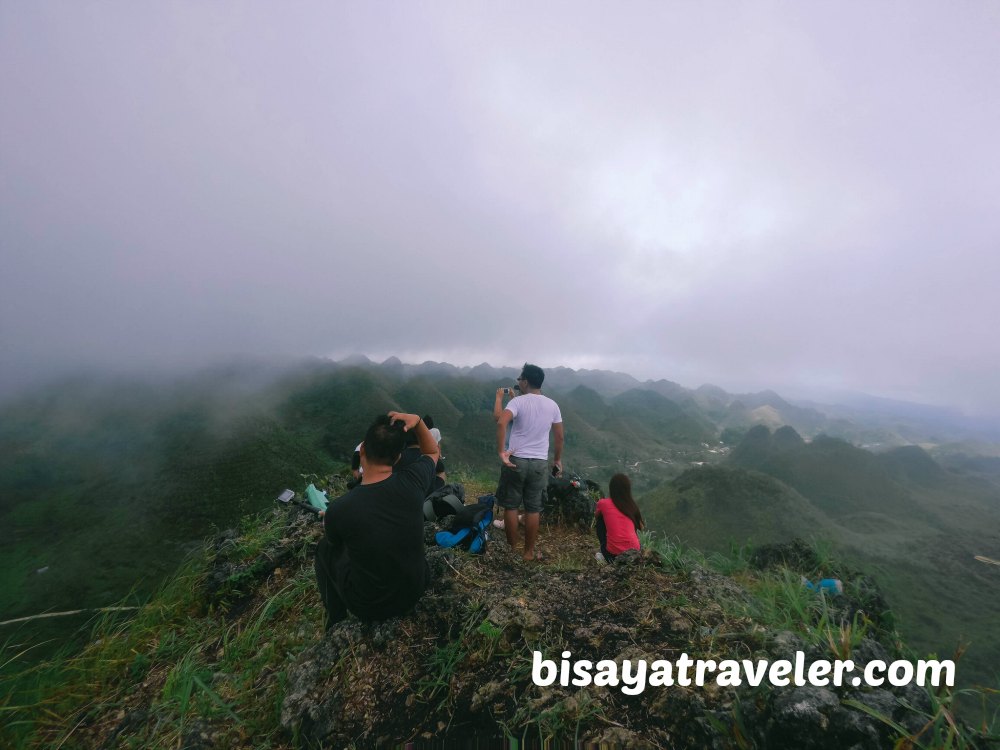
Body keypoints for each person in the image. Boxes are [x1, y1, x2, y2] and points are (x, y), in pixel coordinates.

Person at [314, 411, 439, 629]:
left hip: (369, 606)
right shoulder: (414, 482)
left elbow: (336, 543)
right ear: (398, 457)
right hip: (415, 589)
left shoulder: (340, 509)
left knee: (324, 548)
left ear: (362, 450)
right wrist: (418, 421)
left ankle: (335, 620)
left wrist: (334, 519)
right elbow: (431, 450)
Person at [495, 363, 564, 561]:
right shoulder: (553, 405)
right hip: (539, 463)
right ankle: (528, 553)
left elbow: (501, 422)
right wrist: (557, 460)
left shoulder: (517, 403)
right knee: (533, 508)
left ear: (525, 382)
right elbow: (559, 437)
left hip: (516, 460)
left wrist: (502, 452)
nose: (518, 382)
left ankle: (512, 550)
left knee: (511, 505)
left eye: (519, 379)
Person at [595, 473, 644, 562]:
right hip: (635, 552)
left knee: (600, 520)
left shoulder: (603, 503)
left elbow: (596, 515)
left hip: (612, 555)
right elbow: (641, 527)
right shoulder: (632, 506)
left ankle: (604, 556)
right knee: (632, 525)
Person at [423, 414, 447, 483]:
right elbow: (438, 445)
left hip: (425, 457)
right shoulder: (436, 431)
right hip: (435, 456)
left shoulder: (423, 432)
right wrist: (440, 454)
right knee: (440, 471)